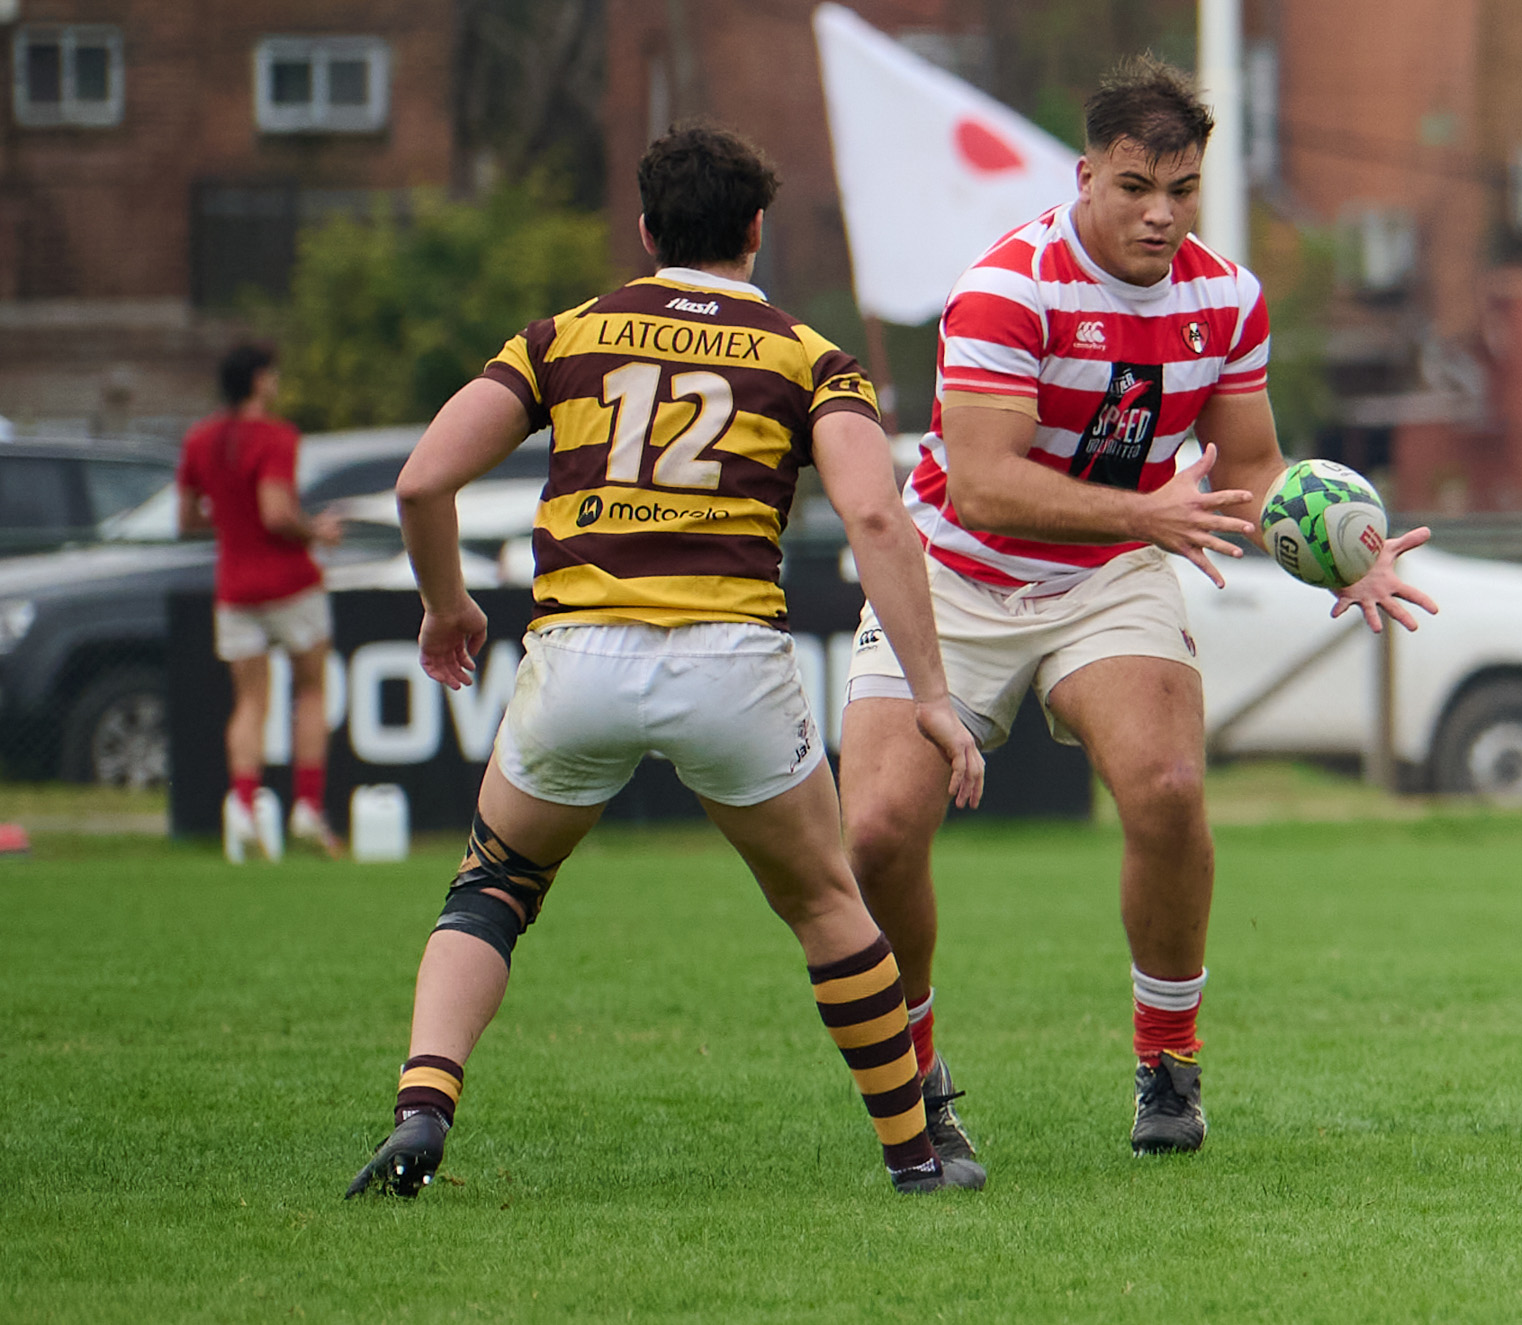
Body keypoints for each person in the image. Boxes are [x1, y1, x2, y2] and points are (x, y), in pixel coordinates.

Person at [346, 126, 987, 1200]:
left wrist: (447, 603)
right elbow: (876, 512)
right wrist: (932, 696)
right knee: (828, 903)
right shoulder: (810, 356)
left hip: (576, 656)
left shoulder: (563, 336)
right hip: (729, 660)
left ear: (646, 232)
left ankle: (422, 1107)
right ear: (757, 230)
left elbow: (421, 482)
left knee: (494, 886)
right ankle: (916, 1156)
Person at [837, 59, 1438, 1157]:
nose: (1161, 214)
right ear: (1085, 176)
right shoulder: (1005, 287)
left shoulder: (1228, 296)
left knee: (1165, 789)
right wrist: (1145, 515)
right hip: (954, 574)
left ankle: (1168, 1060)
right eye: (1134, 188)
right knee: (876, 831)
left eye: (1182, 188)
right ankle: (917, 1069)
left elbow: (1250, 465)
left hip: (1109, 570)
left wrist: (1339, 554)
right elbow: (980, 482)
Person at [177, 343, 343, 862]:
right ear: (257, 380)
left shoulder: (199, 439)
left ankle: (245, 808)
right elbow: (275, 512)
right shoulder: (275, 436)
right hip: (290, 582)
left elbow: (186, 520)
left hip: (234, 586)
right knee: (311, 691)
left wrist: (230, 522)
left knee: (250, 703)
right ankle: (307, 807)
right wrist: (314, 529)